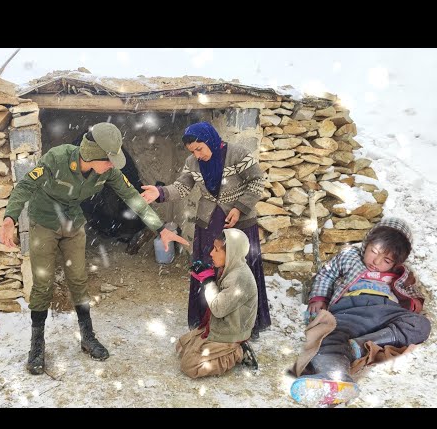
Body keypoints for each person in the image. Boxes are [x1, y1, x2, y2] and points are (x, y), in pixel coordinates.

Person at [0, 122, 189, 375]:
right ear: (91, 154)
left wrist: (160, 227)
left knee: (78, 280)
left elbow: (132, 196)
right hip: (44, 223)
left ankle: (87, 337)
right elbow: (25, 187)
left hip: (74, 225)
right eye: (108, 160)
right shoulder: (56, 159)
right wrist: (10, 217)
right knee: (43, 284)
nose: (112, 165)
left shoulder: (107, 171)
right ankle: (37, 345)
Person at [141, 121, 270, 337]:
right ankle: (207, 320)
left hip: (239, 226)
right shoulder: (192, 162)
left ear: (210, 140)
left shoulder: (238, 154)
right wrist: (161, 193)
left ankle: (246, 324)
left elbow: (257, 182)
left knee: (241, 270)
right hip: (209, 223)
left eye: (199, 148)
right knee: (207, 268)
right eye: (193, 151)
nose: (197, 155)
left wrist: (240, 208)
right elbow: (182, 187)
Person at [290, 217, 431, 406]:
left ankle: (362, 345)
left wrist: (414, 303)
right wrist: (319, 298)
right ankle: (335, 377)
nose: (376, 261)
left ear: (396, 263)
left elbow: (412, 291)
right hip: (350, 310)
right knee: (327, 335)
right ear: (367, 244)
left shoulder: (402, 273)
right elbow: (327, 274)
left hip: (386, 311)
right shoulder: (350, 256)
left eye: (386, 260)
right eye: (374, 251)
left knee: (420, 324)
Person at [176, 228, 258, 378]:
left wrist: (208, 282)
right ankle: (228, 349)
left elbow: (218, 309)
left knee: (189, 366)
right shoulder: (228, 268)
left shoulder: (239, 278)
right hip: (218, 324)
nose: (211, 253)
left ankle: (238, 351)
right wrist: (209, 274)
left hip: (229, 332)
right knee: (182, 345)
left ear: (231, 253)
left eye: (217, 250)